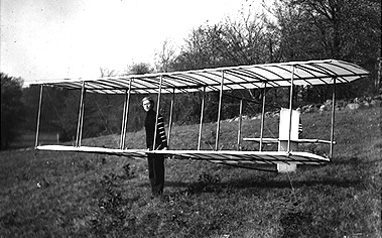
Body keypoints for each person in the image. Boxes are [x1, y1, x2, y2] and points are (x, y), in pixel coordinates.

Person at [142, 96, 168, 197]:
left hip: (158, 145)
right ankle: (154, 192)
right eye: (144, 104)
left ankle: (159, 192)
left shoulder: (157, 116)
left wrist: (164, 145)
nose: (146, 106)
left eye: (148, 104)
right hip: (150, 146)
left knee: (158, 169)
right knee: (151, 170)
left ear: (152, 104)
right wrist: (148, 146)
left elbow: (161, 131)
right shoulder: (147, 117)